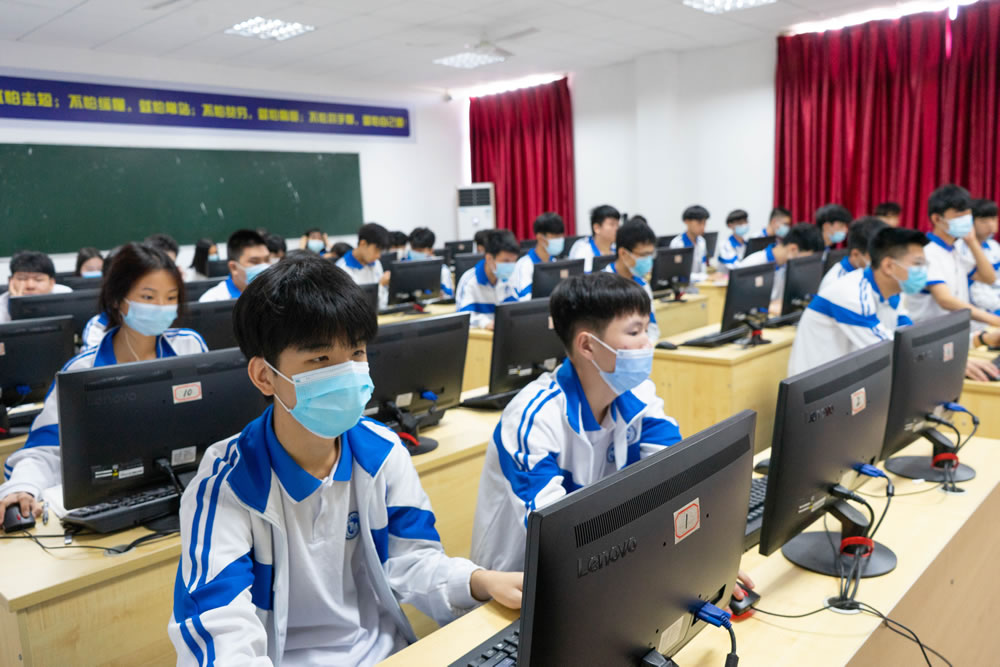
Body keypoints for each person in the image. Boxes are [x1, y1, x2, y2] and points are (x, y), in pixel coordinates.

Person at [167, 254, 521, 665]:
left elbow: (413, 560)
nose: (347, 373)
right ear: (264, 376)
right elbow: (220, 629)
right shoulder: (227, 486)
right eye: (320, 360)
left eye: (356, 353)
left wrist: (479, 580)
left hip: (385, 655)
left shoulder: (382, 451)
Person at [469, 271, 683, 571]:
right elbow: (559, 538)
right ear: (587, 345)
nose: (648, 343)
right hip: (523, 583)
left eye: (647, 330)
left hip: (610, 564)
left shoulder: (641, 396)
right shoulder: (532, 419)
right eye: (635, 332)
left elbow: (679, 477)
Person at [0, 243, 207, 524]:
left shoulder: (189, 346)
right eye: (148, 297)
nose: (162, 307)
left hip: (185, 494)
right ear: (117, 299)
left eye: (171, 298)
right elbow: (45, 447)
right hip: (111, 505)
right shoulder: (82, 370)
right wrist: (22, 487)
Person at [788, 227, 925, 376]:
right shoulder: (851, 294)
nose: (923, 270)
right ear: (888, 266)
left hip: (849, 375)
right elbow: (890, 349)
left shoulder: (894, 291)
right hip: (816, 382)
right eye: (918, 264)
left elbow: (905, 329)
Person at [904, 184, 1000, 328]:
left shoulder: (955, 250)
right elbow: (945, 300)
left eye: (968, 215)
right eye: (959, 215)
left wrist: (972, 241)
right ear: (937, 219)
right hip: (929, 331)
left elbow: (989, 278)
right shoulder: (927, 252)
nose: (965, 220)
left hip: (955, 330)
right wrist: (993, 320)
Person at [737, 224, 825, 310]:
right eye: (807, 259)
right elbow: (742, 306)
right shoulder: (752, 265)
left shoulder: (789, 266)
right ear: (793, 249)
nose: (807, 264)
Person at [603, 219, 661, 342]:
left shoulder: (643, 284)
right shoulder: (602, 286)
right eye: (644, 255)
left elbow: (652, 326)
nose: (648, 261)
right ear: (623, 253)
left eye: (651, 254)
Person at [455, 229, 519, 329]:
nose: (510, 266)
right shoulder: (470, 281)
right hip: (479, 336)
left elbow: (516, 311)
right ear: (489, 258)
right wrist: (486, 323)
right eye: (506, 261)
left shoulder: (509, 279)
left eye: (513, 261)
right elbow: (463, 318)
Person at [0, 251, 72, 325]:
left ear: (51, 283)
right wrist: (17, 305)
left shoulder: (65, 296)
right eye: (22, 279)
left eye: (38, 280)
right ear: (10, 281)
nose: (30, 286)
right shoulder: (1, 306)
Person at [199, 229, 272, 303]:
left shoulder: (274, 294)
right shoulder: (212, 300)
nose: (264, 266)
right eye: (254, 261)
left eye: (267, 260)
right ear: (233, 268)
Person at [818, 216, 888, 291]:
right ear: (855, 255)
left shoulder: (864, 271)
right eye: (876, 256)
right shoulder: (838, 283)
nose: (882, 261)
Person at [511, 212, 566, 300]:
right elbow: (525, 299)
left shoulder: (555, 262)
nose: (559, 240)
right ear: (540, 237)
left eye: (561, 236)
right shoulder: (525, 265)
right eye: (555, 237)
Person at [335, 223, 392, 308]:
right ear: (363, 244)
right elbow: (352, 306)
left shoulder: (376, 263)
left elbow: (382, 302)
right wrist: (381, 285)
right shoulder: (342, 269)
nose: (378, 256)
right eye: (377, 250)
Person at [966, 199, 1000, 318]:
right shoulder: (961, 249)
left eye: (994, 219)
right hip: (979, 314)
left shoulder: (994, 246)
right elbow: (981, 288)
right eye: (983, 221)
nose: (991, 225)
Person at [569, 204, 620, 272]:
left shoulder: (619, 249)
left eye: (618, 225)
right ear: (597, 228)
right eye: (612, 224)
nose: (617, 229)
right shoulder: (582, 249)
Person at [407, 227, 453, 298]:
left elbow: (448, 296)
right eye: (413, 250)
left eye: (420, 251)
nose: (415, 254)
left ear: (431, 250)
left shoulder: (442, 270)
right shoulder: (404, 267)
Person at [669, 205, 710, 276]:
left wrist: (706, 277)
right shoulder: (677, 243)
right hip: (685, 282)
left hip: (701, 281)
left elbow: (703, 265)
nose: (702, 227)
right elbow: (679, 272)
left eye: (704, 223)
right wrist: (704, 277)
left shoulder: (702, 241)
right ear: (687, 221)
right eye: (699, 223)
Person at [716, 209, 751, 273]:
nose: (744, 225)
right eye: (740, 223)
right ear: (730, 225)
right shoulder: (724, 245)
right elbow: (734, 267)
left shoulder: (748, 243)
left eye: (745, 221)